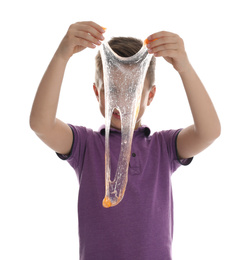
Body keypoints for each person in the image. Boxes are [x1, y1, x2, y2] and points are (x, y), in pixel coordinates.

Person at [30, 21, 221, 260]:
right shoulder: (85, 145)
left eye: (132, 91)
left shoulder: (163, 147)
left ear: (150, 96)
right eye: (111, 90)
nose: (120, 101)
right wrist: (61, 56)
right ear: (96, 92)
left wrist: (184, 67)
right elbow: (41, 124)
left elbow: (209, 132)